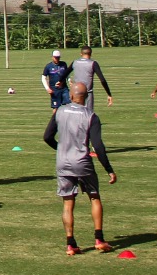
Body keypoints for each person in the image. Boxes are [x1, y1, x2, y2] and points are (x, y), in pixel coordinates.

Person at [42, 81, 116, 255]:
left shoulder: (60, 111)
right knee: (94, 196)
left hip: (63, 162)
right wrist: (109, 170)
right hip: (82, 161)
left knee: (68, 203)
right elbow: (98, 146)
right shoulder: (91, 116)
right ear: (86, 97)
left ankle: (71, 244)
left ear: (72, 96)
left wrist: (60, 148)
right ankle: (99, 239)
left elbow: (47, 137)